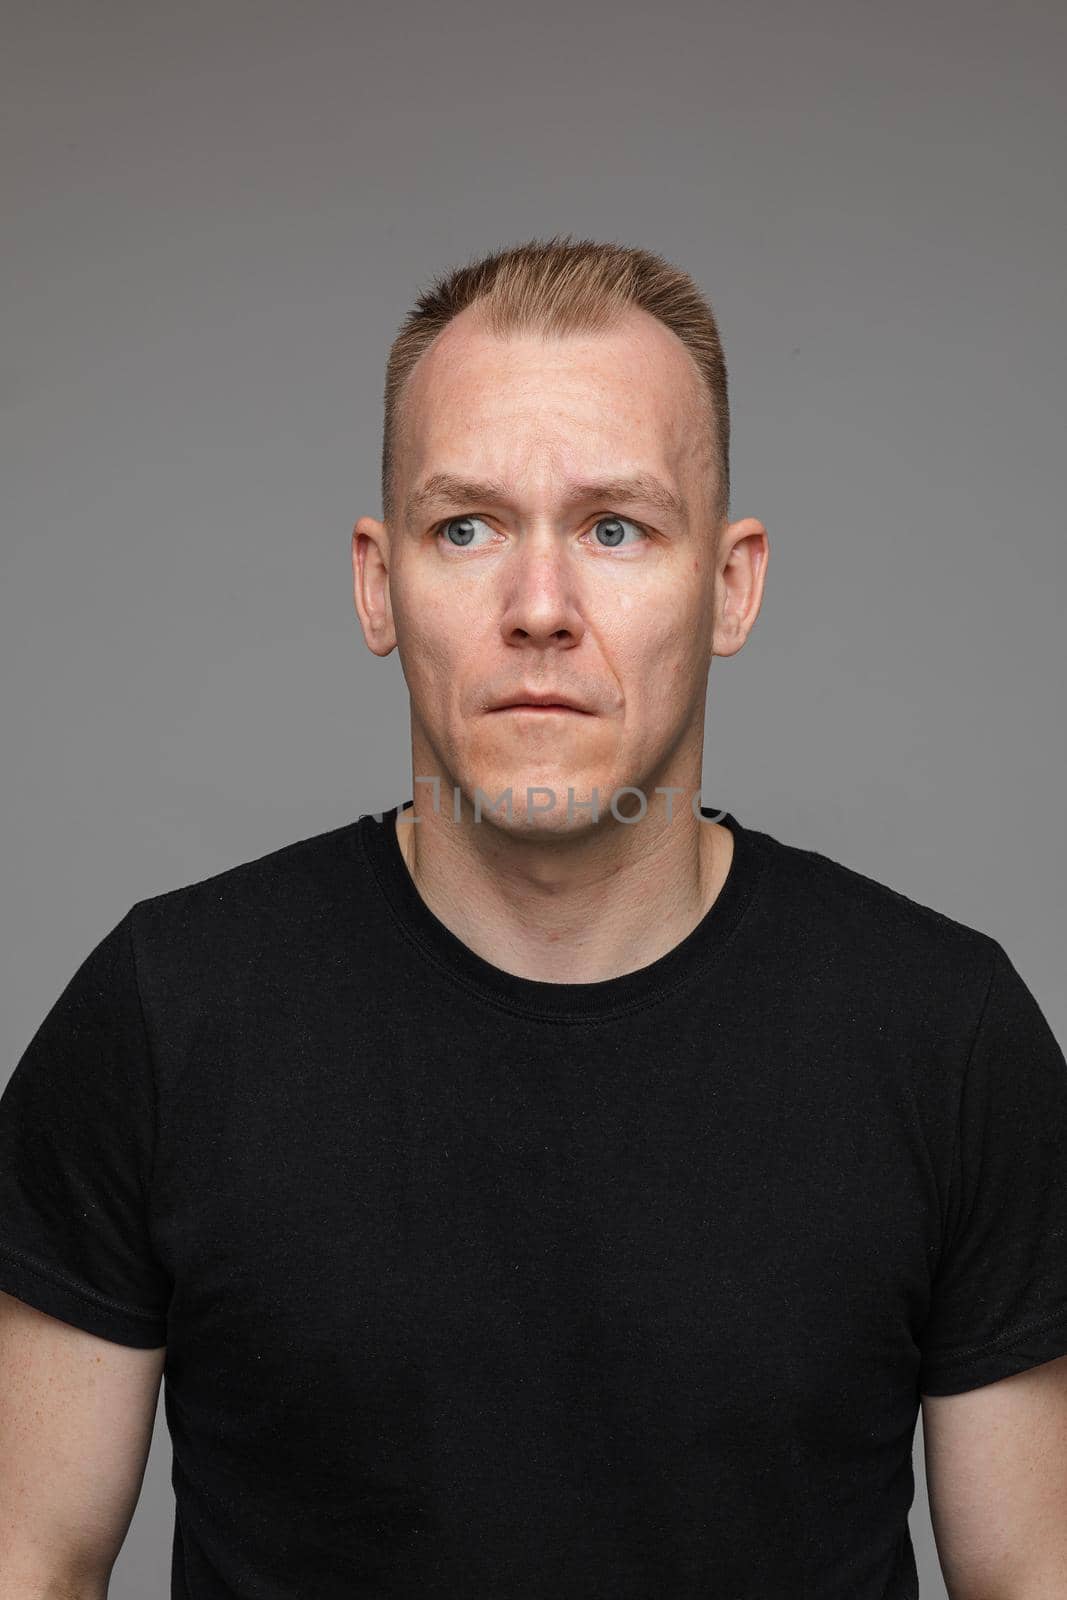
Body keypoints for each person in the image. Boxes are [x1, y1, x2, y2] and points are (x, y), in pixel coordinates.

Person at [1, 234, 1065, 1600]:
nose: (542, 609)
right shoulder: (167, 1012)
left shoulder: (945, 1036)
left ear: (729, 586)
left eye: (615, 528)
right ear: (380, 584)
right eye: (469, 528)